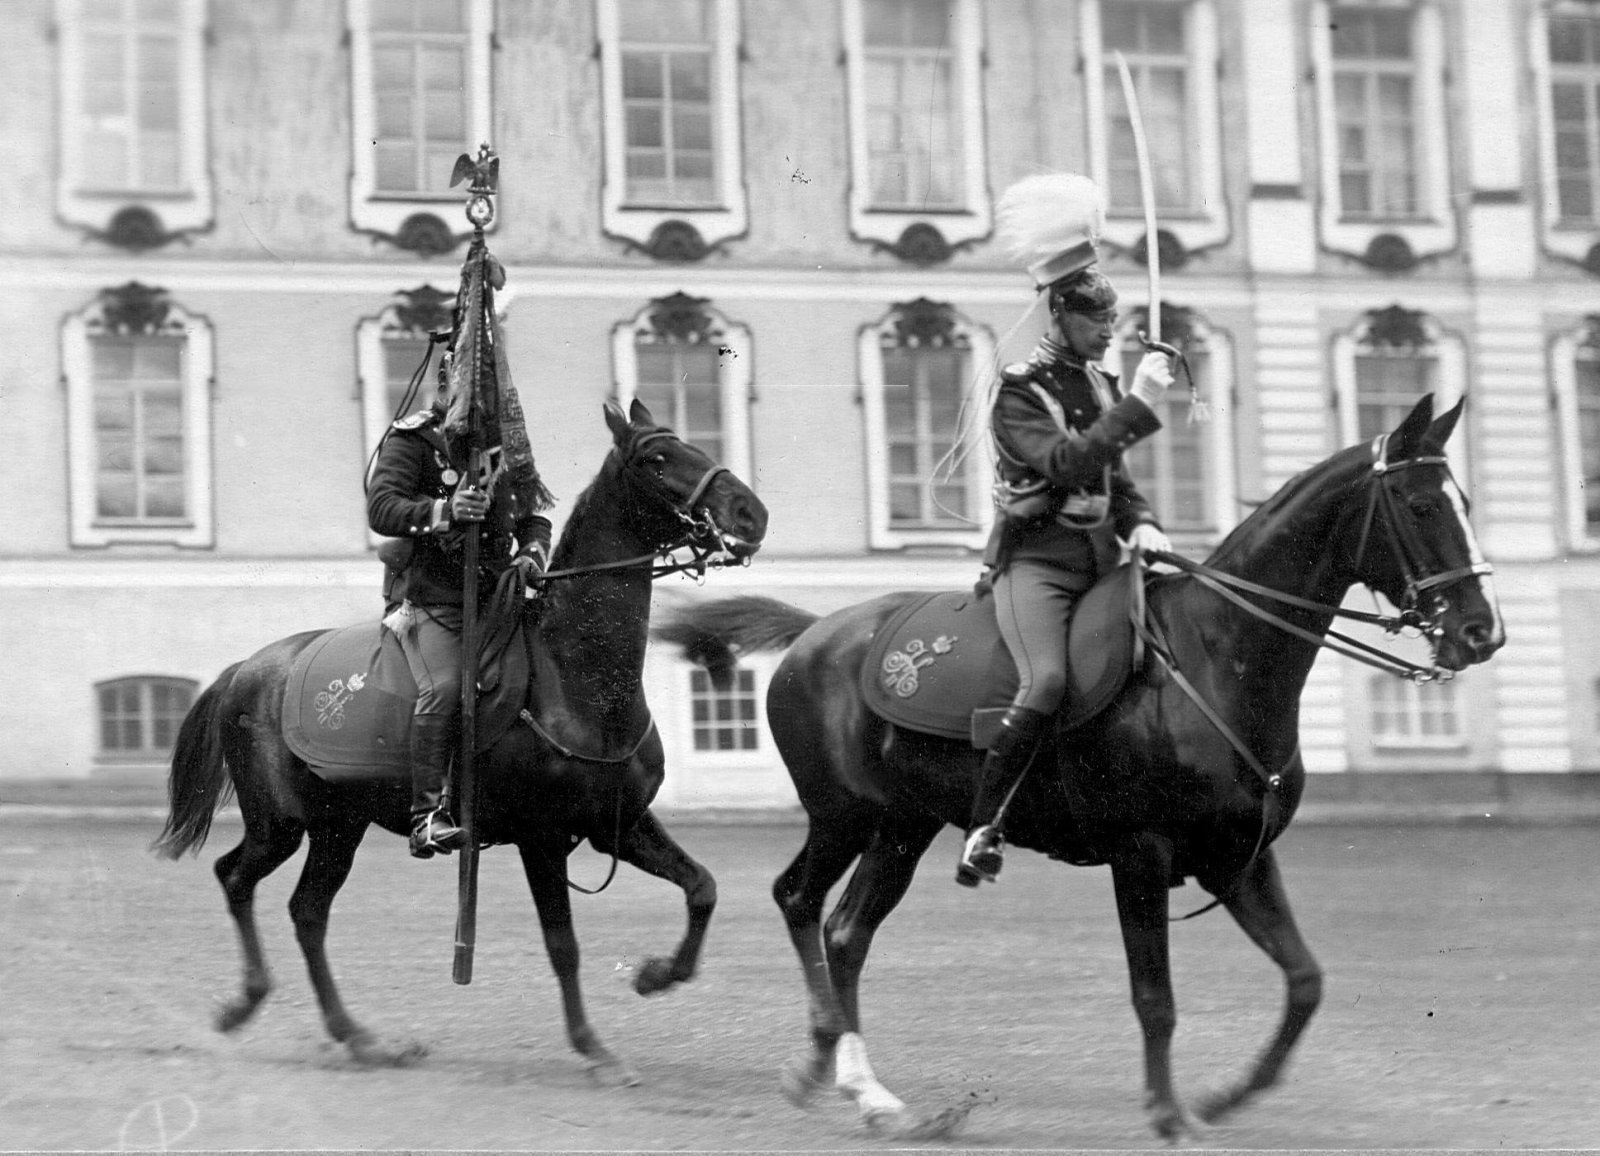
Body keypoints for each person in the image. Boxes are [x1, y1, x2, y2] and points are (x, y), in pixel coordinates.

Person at [957, 173, 1175, 887]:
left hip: (1106, 561)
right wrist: (1141, 404)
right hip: (1040, 565)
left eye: (1110, 321)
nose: (1107, 331)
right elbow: (1067, 461)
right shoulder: (1022, 390)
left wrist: (1142, 524)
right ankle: (985, 827)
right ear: (1059, 315)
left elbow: (1117, 482)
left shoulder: (1103, 385)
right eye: (1094, 320)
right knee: (1046, 680)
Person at [367, 368, 553, 859]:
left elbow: (534, 513)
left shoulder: (503, 450)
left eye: (491, 395)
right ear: (447, 389)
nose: (482, 404)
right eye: (473, 392)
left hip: (500, 601)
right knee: (446, 686)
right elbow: (382, 507)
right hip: (433, 602)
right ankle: (427, 815)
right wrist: (444, 512)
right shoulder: (413, 439)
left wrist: (531, 552)